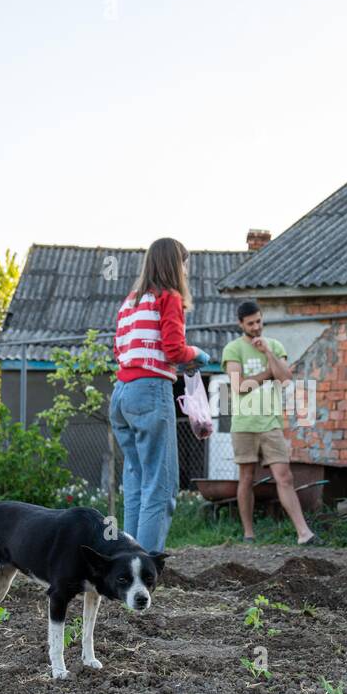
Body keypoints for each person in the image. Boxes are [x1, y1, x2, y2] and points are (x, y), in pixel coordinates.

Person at [109, 237, 210, 555]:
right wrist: (199, 354)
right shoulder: (169, 297)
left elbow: (120, 350)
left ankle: (126, 563)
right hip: (150, 392)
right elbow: (175, 349)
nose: (185, 270)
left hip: (122, 395)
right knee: (161, 486)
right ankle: (145, 569)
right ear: (174, 264)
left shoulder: (130, 301)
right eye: (183, 263)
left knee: (137, 483)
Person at [221, 301, 320, 545]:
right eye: (250, 323)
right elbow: (239, 386)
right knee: (246, 477)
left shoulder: (274, 346)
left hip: (271, 422)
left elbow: (286, 378)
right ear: (241, 324)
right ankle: (248, 534)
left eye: (259, 321)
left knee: (284, 476)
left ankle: (303, 533)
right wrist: (268, 373)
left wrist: (268, 353)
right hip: (244, 422)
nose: (256, 327)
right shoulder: (233, 349)